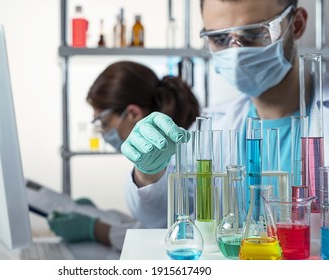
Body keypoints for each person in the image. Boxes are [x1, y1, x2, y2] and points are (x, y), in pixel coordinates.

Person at [121, 0, 329, 228]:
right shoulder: (213, 125)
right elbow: (160, 218)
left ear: (296, 25)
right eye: (220, 38)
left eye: (253, 33)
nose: (236, 53)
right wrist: (148, 173)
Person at [48, 60, 200, 251]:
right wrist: (100, 215)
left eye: (103, 123)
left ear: (133, 114)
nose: (103, 133)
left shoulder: (185, 152)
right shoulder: (162, 153)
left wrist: (96, 229)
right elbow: (150, 220)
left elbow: (164, 232)